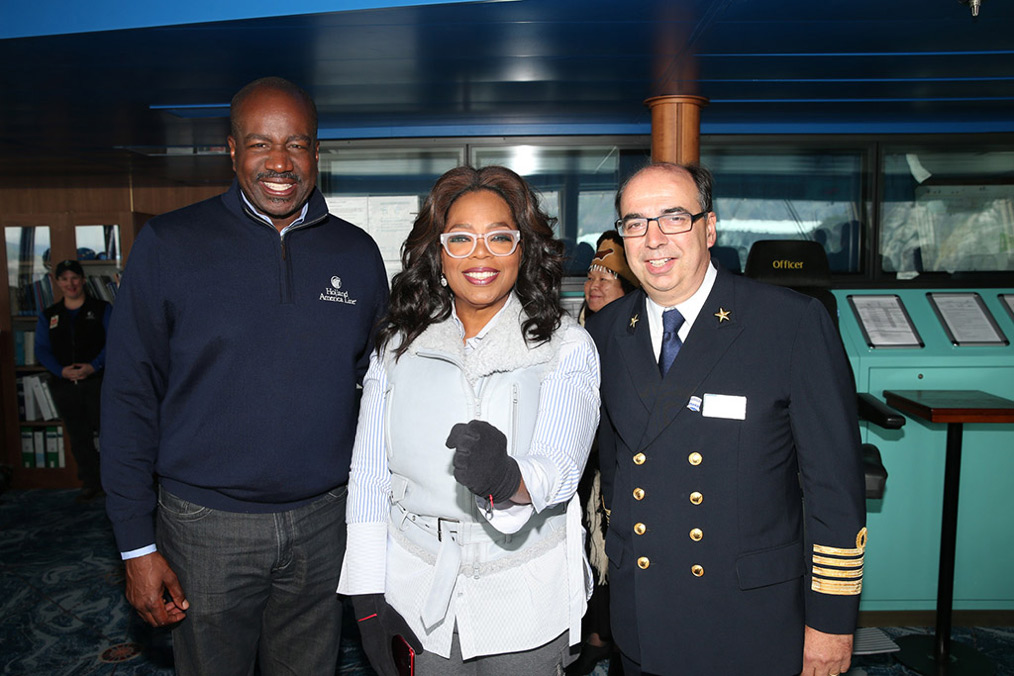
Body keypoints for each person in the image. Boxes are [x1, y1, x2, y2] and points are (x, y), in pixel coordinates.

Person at [100, 77, 388, 676]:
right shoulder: (168, 244)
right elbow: (129, 397)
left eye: (298, 144)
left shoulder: (357, 254)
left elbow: (377, 391)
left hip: (323, 522)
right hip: (204, 526)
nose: (280, 163)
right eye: (260, 144)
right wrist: (136, 544)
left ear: (316, 152)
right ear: (231, 150)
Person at [585, 162, 866, 676]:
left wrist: (831, 621)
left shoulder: (790, 324)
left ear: (709, 228)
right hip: (643, 610)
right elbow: (614, 472)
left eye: (673, 218)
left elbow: (835, 491)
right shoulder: (604, 332)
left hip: (749, 618)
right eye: (635, 223)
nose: (653, 239)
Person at [338, 165, 601, 675]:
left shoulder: (567, 345)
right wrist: (367, 594)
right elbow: (369, 477)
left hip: (525, 599)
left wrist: (508, 479)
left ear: (522, 249)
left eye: (499, 237)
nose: (480, 254)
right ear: (438, 253)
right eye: (460, 238)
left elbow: (561, 467)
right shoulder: (397, 346)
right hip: (417, 591)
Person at [568, 231, 639, 676]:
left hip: (615, 465)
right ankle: (592, 636)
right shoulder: (576, 332)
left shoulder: (632, 335)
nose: (594, 286)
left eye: (607, 280)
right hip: (580, 460)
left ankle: (607, 640)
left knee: (609, 556)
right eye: (592, 277)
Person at [35, 258, 111, 503]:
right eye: (65, 279)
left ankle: (113, 482)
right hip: (65, 384)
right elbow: (42, 349)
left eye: (75, 278)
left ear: (83, 280)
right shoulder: (49, 315)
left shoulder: (102, 309)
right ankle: (90, 483)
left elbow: (114, 342)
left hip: (98, 382)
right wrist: (61, 371)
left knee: (109, 435)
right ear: (57, 283)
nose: (71, 284)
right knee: (78, 437)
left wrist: (93, 366)